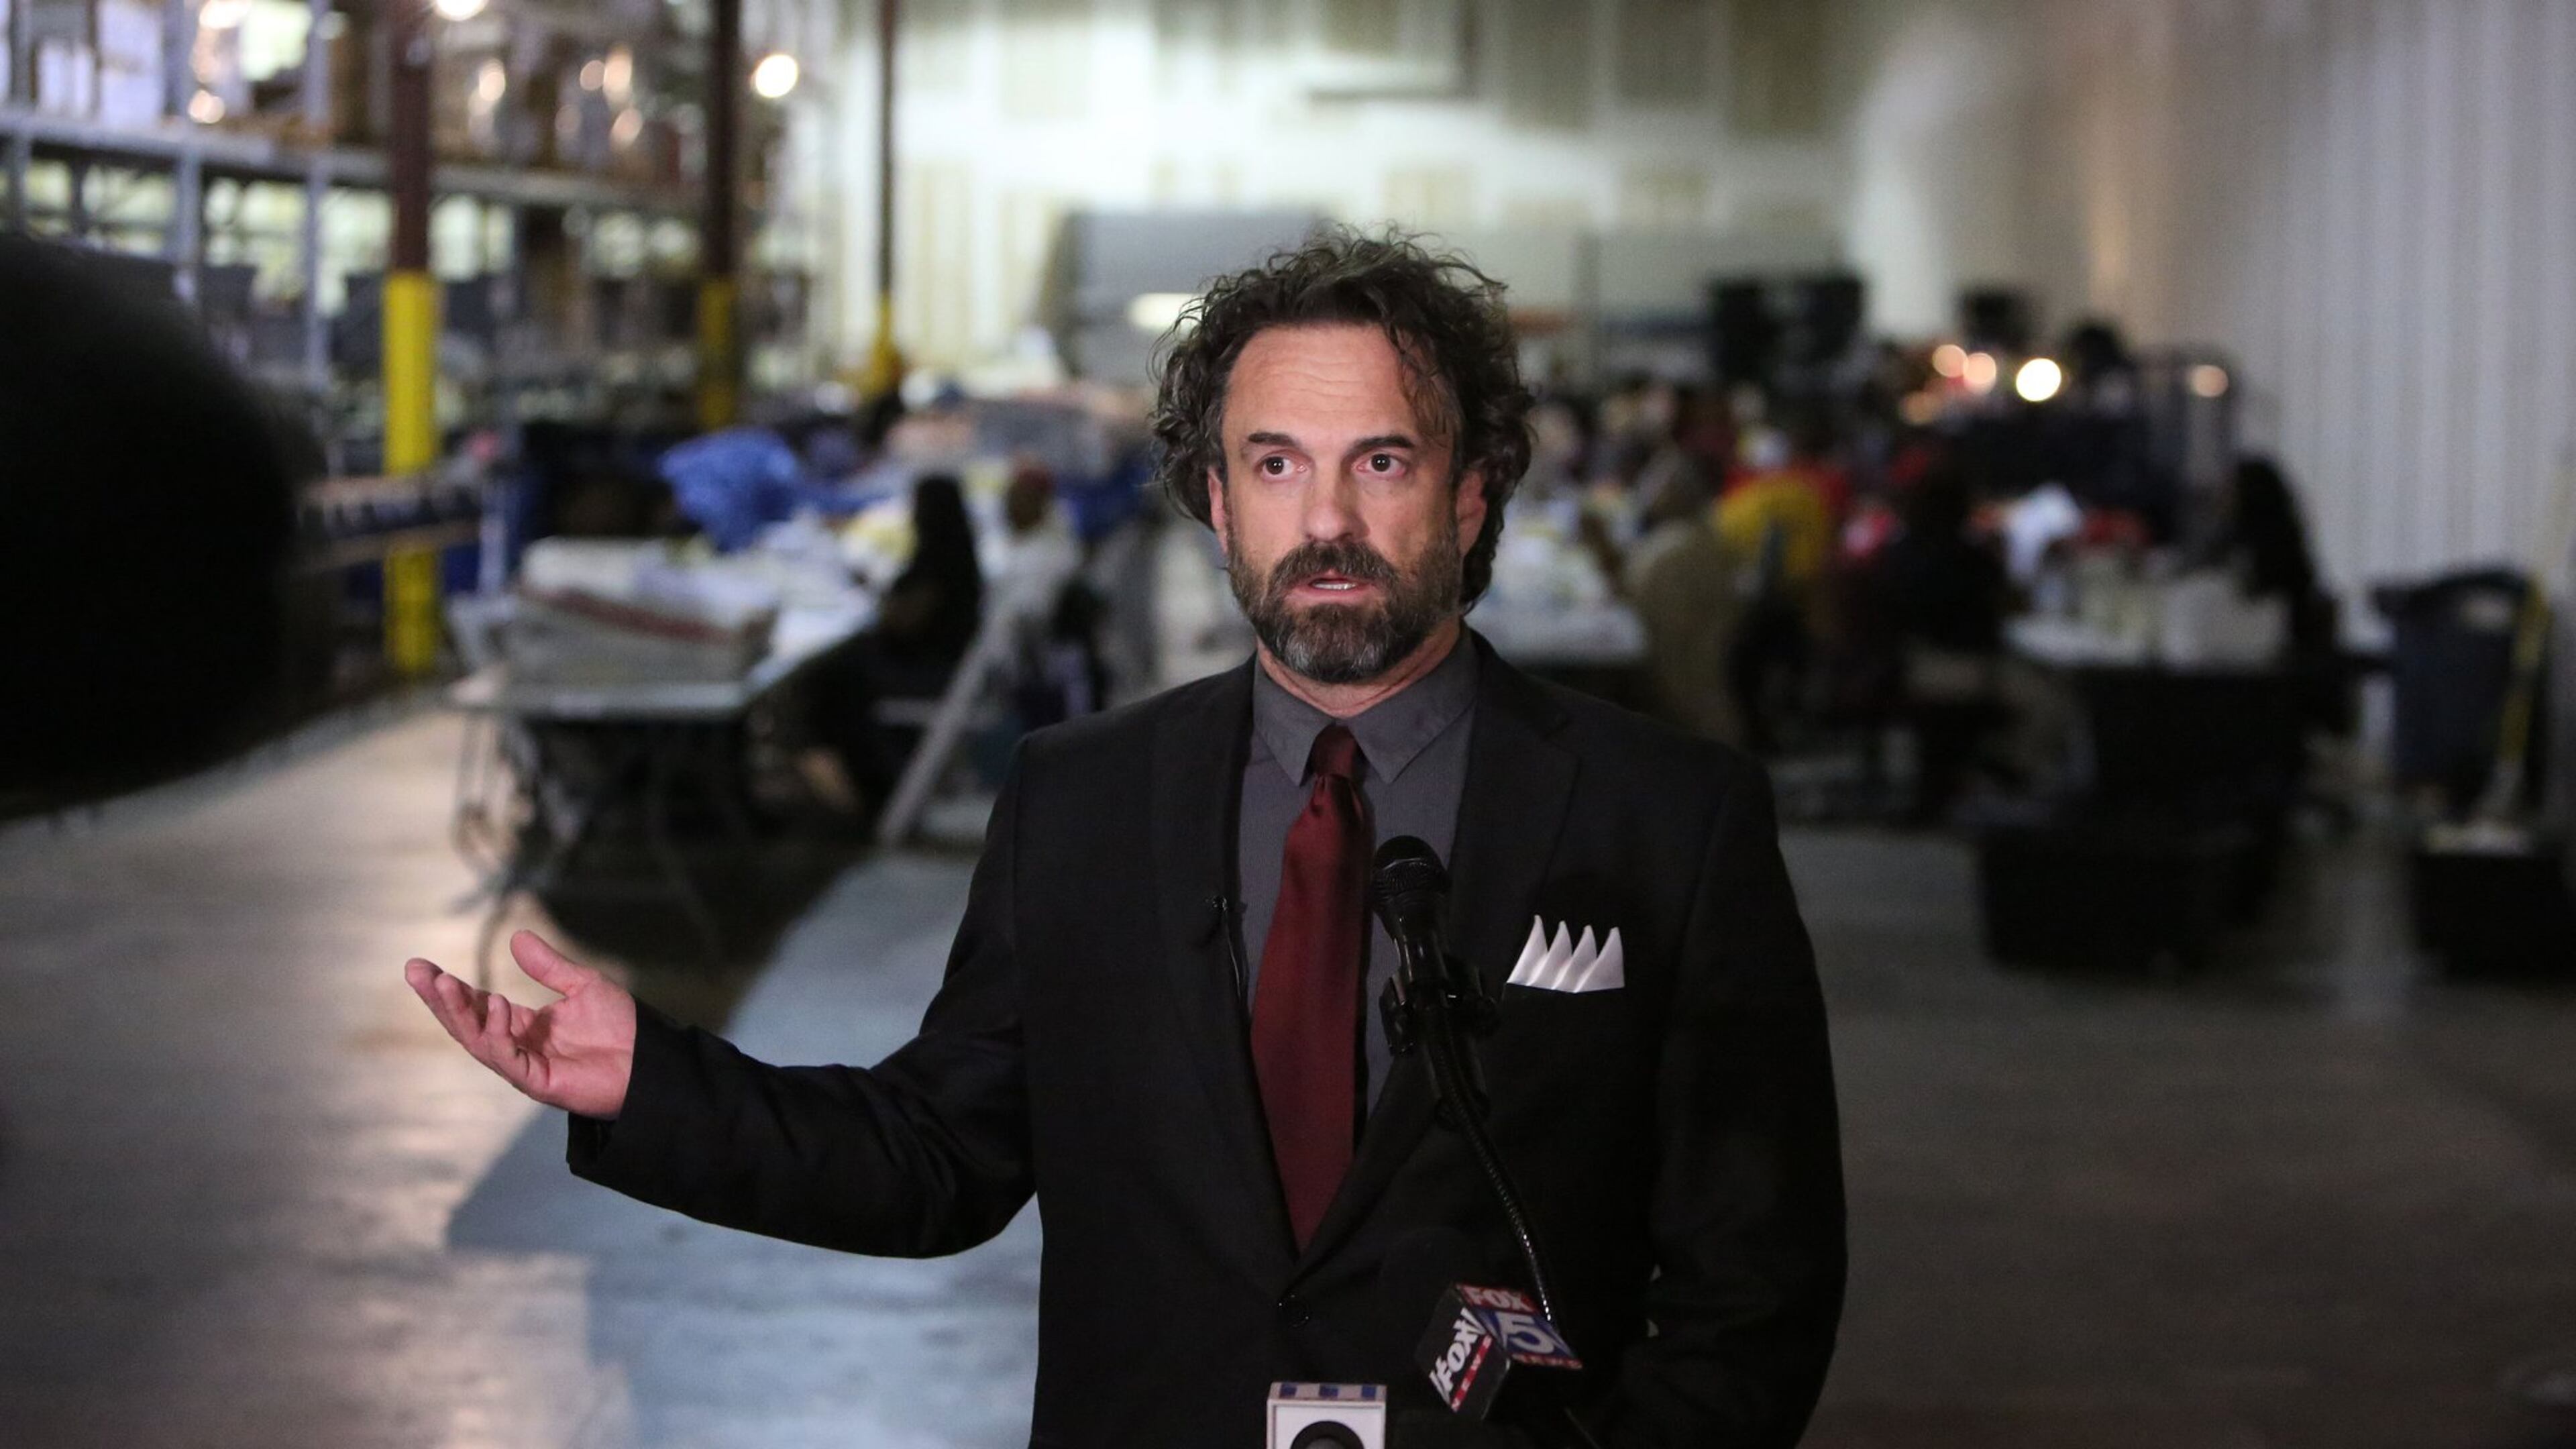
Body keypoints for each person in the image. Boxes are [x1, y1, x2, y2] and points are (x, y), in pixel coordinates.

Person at [405, 228, 1845, 1448]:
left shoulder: (1668, 818)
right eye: (1274, 466)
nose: (1326, 518)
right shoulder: (1080, 799)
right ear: (1214, 503)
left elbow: (1756, 1284)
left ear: (1472, 497)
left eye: (1385, 462)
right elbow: (937, 1154)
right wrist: (651, 1086)